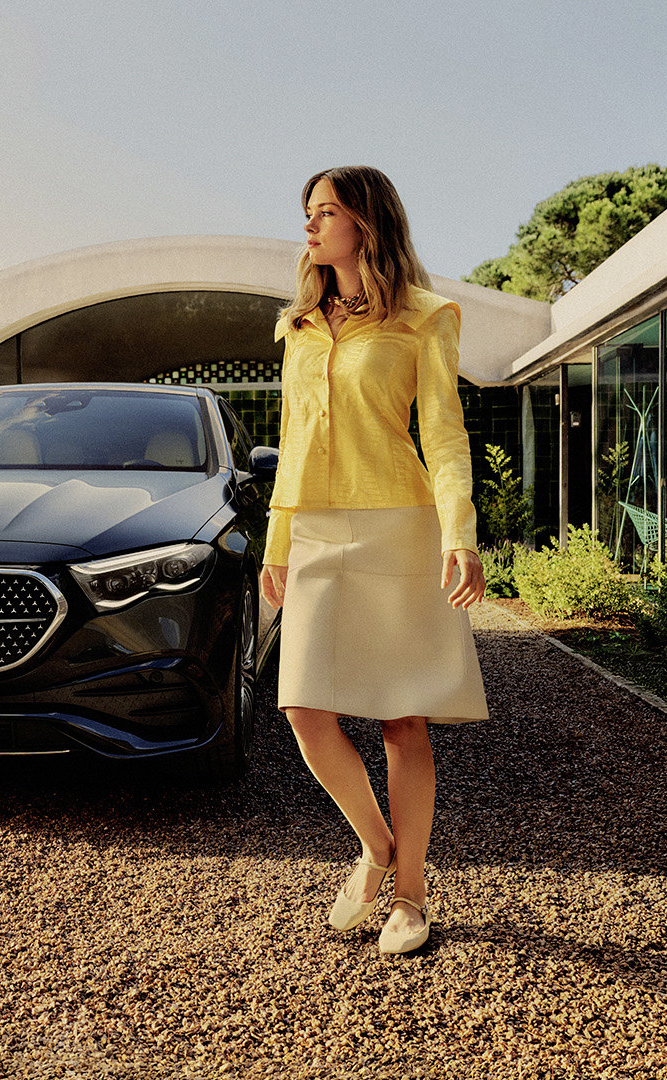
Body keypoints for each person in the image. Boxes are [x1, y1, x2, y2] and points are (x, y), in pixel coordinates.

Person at [260, 166, 488, 956]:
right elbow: (293, 441)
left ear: (367, 221)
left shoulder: (425, 317)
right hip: (317, 531)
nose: (310, 227)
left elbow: (446, 436)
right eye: (308, 214)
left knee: (400, 715)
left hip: (399, 525)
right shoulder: (298, 325)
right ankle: (376, 846)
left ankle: (414, 896)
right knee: (303, 708)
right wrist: (277, 542)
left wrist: (460, 533)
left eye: (325, 212)